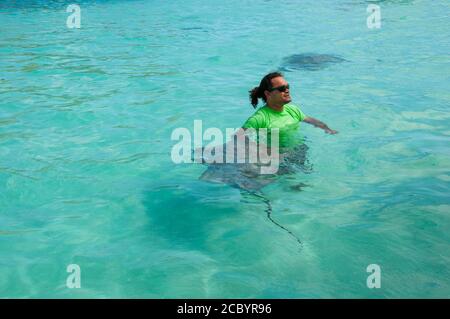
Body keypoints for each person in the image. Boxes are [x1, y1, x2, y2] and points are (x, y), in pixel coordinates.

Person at [243, 72, 338, 135]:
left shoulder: (292, 110)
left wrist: (327, 129)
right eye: (282, 89)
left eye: (287, 87)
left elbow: (311, 120)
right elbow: (237, 142)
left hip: (298, 154)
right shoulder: (260, 119)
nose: (287, 90)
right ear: (268, 94)